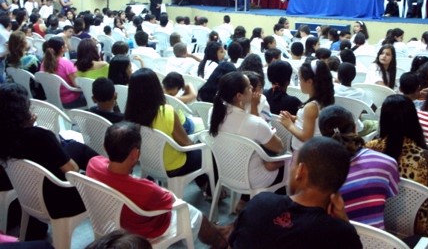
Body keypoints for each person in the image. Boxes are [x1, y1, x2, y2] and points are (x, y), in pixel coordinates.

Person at [86, 121, 231, 248]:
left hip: (108, 220)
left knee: (199, 218)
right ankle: (221, 240)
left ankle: (220, 232)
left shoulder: (93, 164)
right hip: (146, 229)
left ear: (105, 147)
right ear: (135, 154)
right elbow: (171, 200)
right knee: (195, 214)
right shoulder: (145, 190)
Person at [0, 83, 97, 239]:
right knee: (77, 149)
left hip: (27, 194)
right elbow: (72, 170)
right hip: (60, 202)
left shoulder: (5, 137)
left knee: (74, 147)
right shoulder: (40, 136)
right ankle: (111, 177)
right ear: (21, 111)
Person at [228, 137, 362, 249]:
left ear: (300, 171)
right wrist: (344, 221)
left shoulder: (259, 204)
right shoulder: (342, 235)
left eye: (293, 163)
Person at [367, 95, 428, 244]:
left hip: (379, 219)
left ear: (383, 120)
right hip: (418, 228)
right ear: (414, 121)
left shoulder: (370, 149)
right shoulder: (427, 158)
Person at [209, 71, 285, 211]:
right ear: (239, 96)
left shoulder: (213, 114)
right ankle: (271, 215)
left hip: (226, 172)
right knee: (288, 163)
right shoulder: (254, 123)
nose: (253, 90)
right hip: (253, 178)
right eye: (249, 87)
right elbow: (279, 147)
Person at [124, 68, 209, 190]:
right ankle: (210, 189)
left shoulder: (129, 115)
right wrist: (199, 144)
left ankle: (204, 185)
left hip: (148, 162)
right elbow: (186, 144)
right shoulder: (166, 111)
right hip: (172, 167)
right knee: (206, 151)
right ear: (156, 87)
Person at [318, 105, 399, 229]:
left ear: (322, 135)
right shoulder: (386, 163)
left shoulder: (313, 172)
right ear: (355, 128)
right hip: (377, 242)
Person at [279, 60, 335, 151]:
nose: (299, 83)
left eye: (300, 79)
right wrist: (295, 119)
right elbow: (313, 123)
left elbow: (306, 137)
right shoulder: (323, 100)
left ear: (309, 81)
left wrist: (289, 125)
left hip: (305, 152)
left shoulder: (311, 106)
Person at [41, 36, 87, 108]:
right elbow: (77, 84)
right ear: (62, 48)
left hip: (53, 99)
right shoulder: (66, 63)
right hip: (69, 101)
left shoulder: (44, 63)